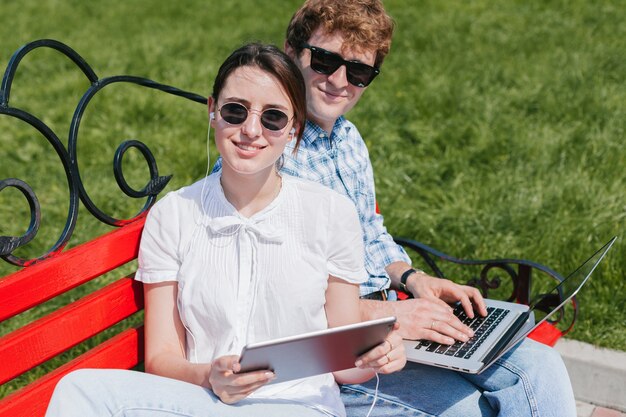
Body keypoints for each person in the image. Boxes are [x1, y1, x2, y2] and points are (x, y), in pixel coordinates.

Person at [44, 42, 406, 417]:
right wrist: (209, 376)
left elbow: (344, 362)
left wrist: (377, 357)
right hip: (202, 401)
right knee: (81, 389)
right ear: (212, 111)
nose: (251, 130)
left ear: (294, 128)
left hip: (296, 405)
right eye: (236, 111)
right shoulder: (174, 215)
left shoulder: (330, 214)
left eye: (273, 118)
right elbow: (162, 357)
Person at [282, 0, 578, 415]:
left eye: (359, 71)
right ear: (292, 53)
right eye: (325, 60)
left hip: (390, 315)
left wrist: (415, 278)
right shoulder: (266, 151)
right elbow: (281, 297)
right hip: (338, 351)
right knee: (469, 408)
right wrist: (391, 314)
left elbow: (370, 232)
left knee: (540, 367)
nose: (338, 80)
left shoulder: (347, 140)